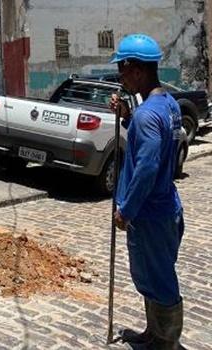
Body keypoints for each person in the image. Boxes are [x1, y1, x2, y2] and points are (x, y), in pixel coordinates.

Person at [109, 33, 185, 349]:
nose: (120, 76)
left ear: (138, 70)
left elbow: (147, 168)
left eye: (122, 70)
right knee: (154, 278)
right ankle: (154, 334)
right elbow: (150, 142)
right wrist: (128, 117)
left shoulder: (147, 115)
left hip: (150, 214)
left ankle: (165, 342)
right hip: (166, 208)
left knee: (158, 281)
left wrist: (126, 209)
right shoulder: (166, 104)